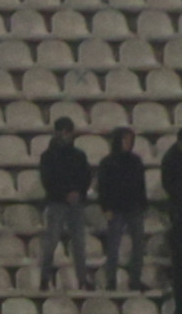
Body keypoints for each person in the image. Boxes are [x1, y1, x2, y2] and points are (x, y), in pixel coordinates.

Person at [37, 117, 93, 288]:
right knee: (52, 241)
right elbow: (48, 181)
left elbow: (86, 177)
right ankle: (45, 278)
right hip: (57, 202)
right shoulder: (48, 156)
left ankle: (82, 279)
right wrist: (65, 194)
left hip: (75, 203)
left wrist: (79, 193)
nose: (65, 135)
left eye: (68, 131)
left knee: (79, 243)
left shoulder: (79, 155)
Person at [93, 128, 149, 290]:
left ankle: (135, 280)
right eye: (125, 140)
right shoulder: (107, 162)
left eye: (130, 140)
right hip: (115, 209)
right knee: (113, 246)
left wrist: (142, 205)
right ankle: (111, 280)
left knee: (138, 245)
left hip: (134, 208)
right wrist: (105, 207)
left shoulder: (136, 161)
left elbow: (141, 185)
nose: (128, 143)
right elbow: (102, 187)